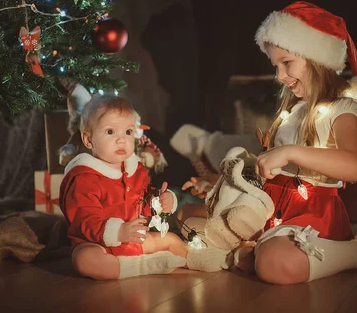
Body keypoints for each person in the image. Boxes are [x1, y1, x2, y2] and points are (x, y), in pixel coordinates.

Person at [180, 1, 357, 284]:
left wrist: (291, 152)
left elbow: (356, 166)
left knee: (275, 264)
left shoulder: (341, 108)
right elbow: (270, 170)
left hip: (312, 212)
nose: (280, 76)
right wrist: (221, 182)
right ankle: (250, 252)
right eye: (276, 66)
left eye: (287, 63)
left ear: (317, 58)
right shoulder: (292, 110)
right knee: (188, 219)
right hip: (268, 206)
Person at [60, 95, 231, 280]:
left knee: (171, 240)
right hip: (100, 244)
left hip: (134, 242)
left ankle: (202, 258)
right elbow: (84, 218)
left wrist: (159, 201)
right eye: (110, 132)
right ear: (88, 139)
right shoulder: (83, 177)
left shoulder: (135, 169)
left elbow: (143, 200)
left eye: (128, 132)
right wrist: (117, 232)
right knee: (84, 259)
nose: (121, 140)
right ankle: (143, 266)